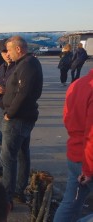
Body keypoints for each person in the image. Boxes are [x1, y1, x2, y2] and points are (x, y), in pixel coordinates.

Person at [0, 36, 43, 207]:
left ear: (18, 49)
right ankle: (18, 190)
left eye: (9, 50)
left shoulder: (28, 64)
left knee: (8, 157)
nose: (8, 54)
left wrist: (10, 113)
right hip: (23, 117)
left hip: (18, 119)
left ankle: (7, 195)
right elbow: (18, 89)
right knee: (22, 154)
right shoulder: (25, 64)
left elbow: (23, 93)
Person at [53, 69, 93, 222]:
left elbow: (67, 117)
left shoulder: (77, 84)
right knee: (71, 204)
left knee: (70, 203)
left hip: (75, 153)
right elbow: (91, 135)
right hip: (87, 159)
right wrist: (88, 169)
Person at [0, 38, 16, 177]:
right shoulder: (2, 67)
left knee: (9, 142)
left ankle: (9, 171)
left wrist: (5, 91)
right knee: (1, 138)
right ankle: (4, 165)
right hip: (1, 107)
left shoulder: (19, 67)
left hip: (12, 110)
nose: (7, 54)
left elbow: (24, 90)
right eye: (4, 51)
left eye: (8, 51)